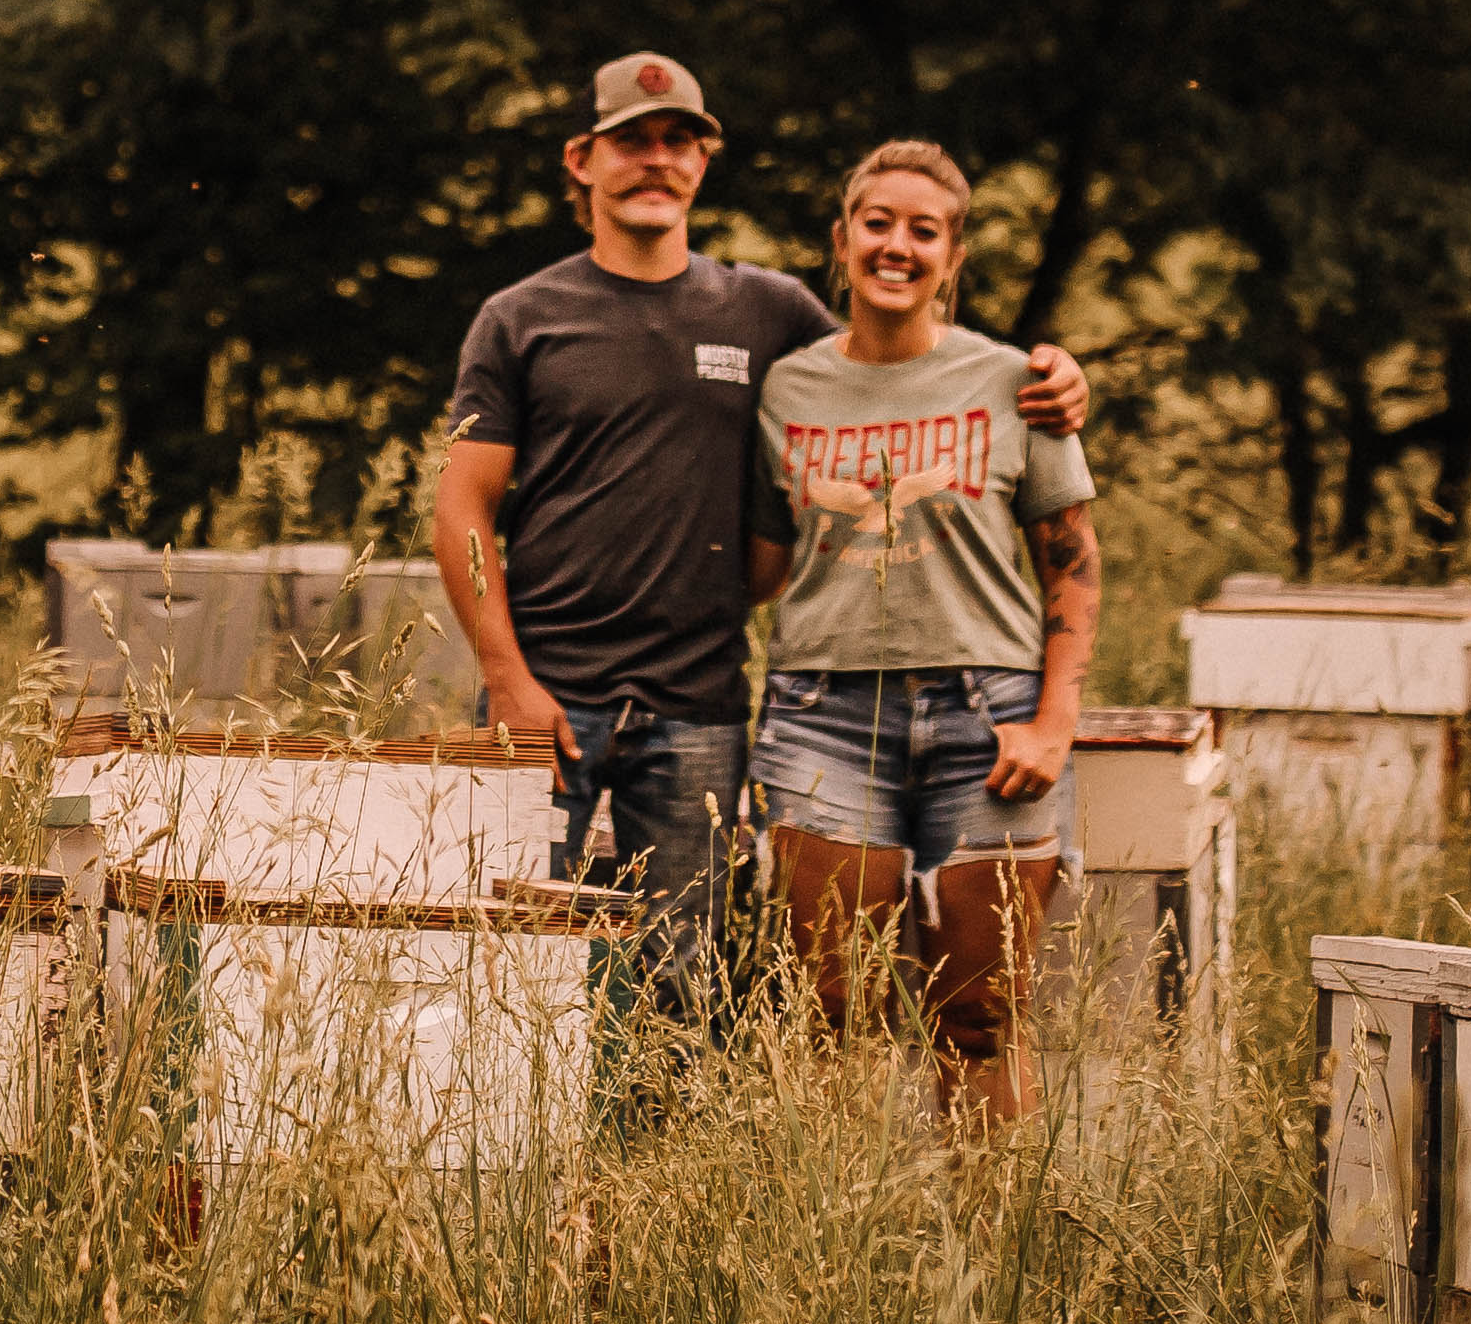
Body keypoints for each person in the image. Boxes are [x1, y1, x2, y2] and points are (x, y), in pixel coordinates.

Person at [422, 56, 1082, 1009]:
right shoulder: (520, 317)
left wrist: (1052, 376)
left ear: (702, 162)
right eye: (633, 139)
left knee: (679, 979)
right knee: (507, 963)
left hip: (698, 704)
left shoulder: (764, 309)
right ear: (581, 158)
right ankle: (514, 1158)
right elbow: (462, 505)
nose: (658, 159)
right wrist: (506, 678)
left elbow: (894, 361)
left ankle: (654, 1154)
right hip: (545, 694)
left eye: (680, 140)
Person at [747, 137, 1100, 1122]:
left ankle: (984, 1265)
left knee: (980, 1014)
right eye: (878, 222)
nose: (896, 245)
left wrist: (1053, 722)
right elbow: (759, 563)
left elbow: (1073, 561)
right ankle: (841, 1258)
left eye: (924, 230)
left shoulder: (1015, 382)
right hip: (824, 709)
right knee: (830, 1006)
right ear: (843, 239)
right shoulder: (788, 390)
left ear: (952, 256)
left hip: (990, 717)